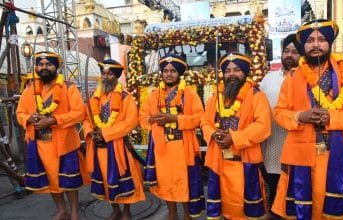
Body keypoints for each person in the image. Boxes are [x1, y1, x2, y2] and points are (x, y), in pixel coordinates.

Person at [271, 19, 343, 219]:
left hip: (339, 155)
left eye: (321, 39)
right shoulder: (292, 78)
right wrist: (300, 116)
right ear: (304, 46)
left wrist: (332, 118)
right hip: (302, 156)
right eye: (310, 40)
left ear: (329, 43)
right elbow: (279, 113)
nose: (316, 44)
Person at [201, 52, 272, 219]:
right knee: (223, 209)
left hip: (244, 164)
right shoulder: (215, 98)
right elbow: (204, 121)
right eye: (227, 70)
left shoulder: (257, 96)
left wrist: (233, 138)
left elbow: (263, 127)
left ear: (245, 72)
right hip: (219, 163)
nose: (231, 74)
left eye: (237, 70)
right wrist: (214, 134)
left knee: (246, 210)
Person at [16, 51, 85, 220]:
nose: (44, 68)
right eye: (41, 64)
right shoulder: (30, 90)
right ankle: (62, 211)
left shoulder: (69, 88)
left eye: (48, 64)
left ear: (57, 67)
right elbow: (20, 113)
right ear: (36, 67)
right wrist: (29, 118)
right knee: (51, 178)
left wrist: (53, 120)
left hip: (64, 144)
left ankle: (74, 212)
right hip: (39, 145)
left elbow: (79, 113)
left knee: (68, 179)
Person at [139, 54, 205, 220]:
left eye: (173, 71)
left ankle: (188, 216)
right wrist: (152, 120)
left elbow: (199, 118)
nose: (168, 74)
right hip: (162, 149)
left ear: (179, 73)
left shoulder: (189, 94)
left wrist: (175, 119)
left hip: (183, 148)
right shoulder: (154, 95)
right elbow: (142, 116)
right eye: (165, 71)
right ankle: (172, 214)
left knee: (184, 183)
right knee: (166, 183)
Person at [83, 59, 145, 220]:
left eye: (109, 74)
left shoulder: (126, 97)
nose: (105, 77)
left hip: (119, 148)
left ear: (116, 77)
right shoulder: (94, 97)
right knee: (105, 179)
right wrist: (90, 132)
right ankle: (115, 208)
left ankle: (127, 210)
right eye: (103, 73)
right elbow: (86, 118)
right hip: (99, 149)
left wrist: (106, 134)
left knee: (124, 178)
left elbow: (129, 122)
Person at [259, 33, 301, 213]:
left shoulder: (306, 79)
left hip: (297, 143)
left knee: (296, 187)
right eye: (286, 51)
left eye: (294, 52)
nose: (289, 55)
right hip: (272, 142)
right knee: (274, 183)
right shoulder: (269, 78)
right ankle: (273, 212)